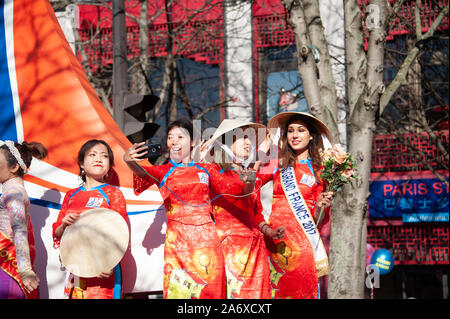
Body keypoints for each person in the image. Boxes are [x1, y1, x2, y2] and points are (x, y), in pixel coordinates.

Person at [123, 119, 254, 299]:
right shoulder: (163, 171)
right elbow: (141, 172)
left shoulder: (207, 169)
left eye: (180, 136)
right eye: (170, 137)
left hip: (207, 240)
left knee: (211, 291)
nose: (174, 141)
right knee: (181, 291)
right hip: (178, 244)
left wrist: (248, 184)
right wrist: (129, 161)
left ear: (192, 142)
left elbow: (235, 194)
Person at [201, 119, 284, 299]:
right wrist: (259, 158)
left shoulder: (246, 171)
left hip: (255, 247)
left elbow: (256, 213)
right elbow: (238, 197)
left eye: (250, 139)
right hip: (229, 247)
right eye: (242, 138)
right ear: (226, 141)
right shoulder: (214, 170)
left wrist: (268, 231)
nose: (248, 143)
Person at [256, 112, 333, 299]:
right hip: (274, 241)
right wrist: (260, 152)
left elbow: (319, 220)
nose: (295, 135)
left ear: (311, 135)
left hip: (303, 246)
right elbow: (250, 184)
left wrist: (321, 206)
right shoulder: (277, 163)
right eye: (290, 131)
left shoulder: (320, 170)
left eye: (301, 130)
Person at [52, 139, 128, 299]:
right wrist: (64, 224)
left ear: (109, 165)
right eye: (92, 155)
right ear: (81, 163)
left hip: (104, 270)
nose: (98, 159)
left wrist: (108, 264)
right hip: (77, 269)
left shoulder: (113, 194)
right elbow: (57, 234)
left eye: (104, 156)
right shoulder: (71, 195)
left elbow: (120, 234)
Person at [0, 140, 48, 299]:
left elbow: (19, 231)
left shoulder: (14, 193)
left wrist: (25, 269)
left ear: (14, 167)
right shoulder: (12, 191)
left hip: (8, 268)